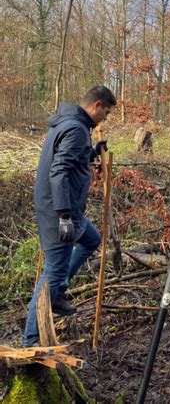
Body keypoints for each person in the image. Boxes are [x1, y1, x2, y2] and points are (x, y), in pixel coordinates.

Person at [23, 85, 116, 347]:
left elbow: (70, 159)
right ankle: (30, 341)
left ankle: (58, 293)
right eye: (106, 113)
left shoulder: (71, 124)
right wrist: (64, 215)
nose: (105, 119)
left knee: (91, 240)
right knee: (52, 272)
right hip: (59, 212)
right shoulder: (76, 128)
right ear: (97, 105)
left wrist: (92, 152)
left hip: (67, 210)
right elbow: (59, 171)